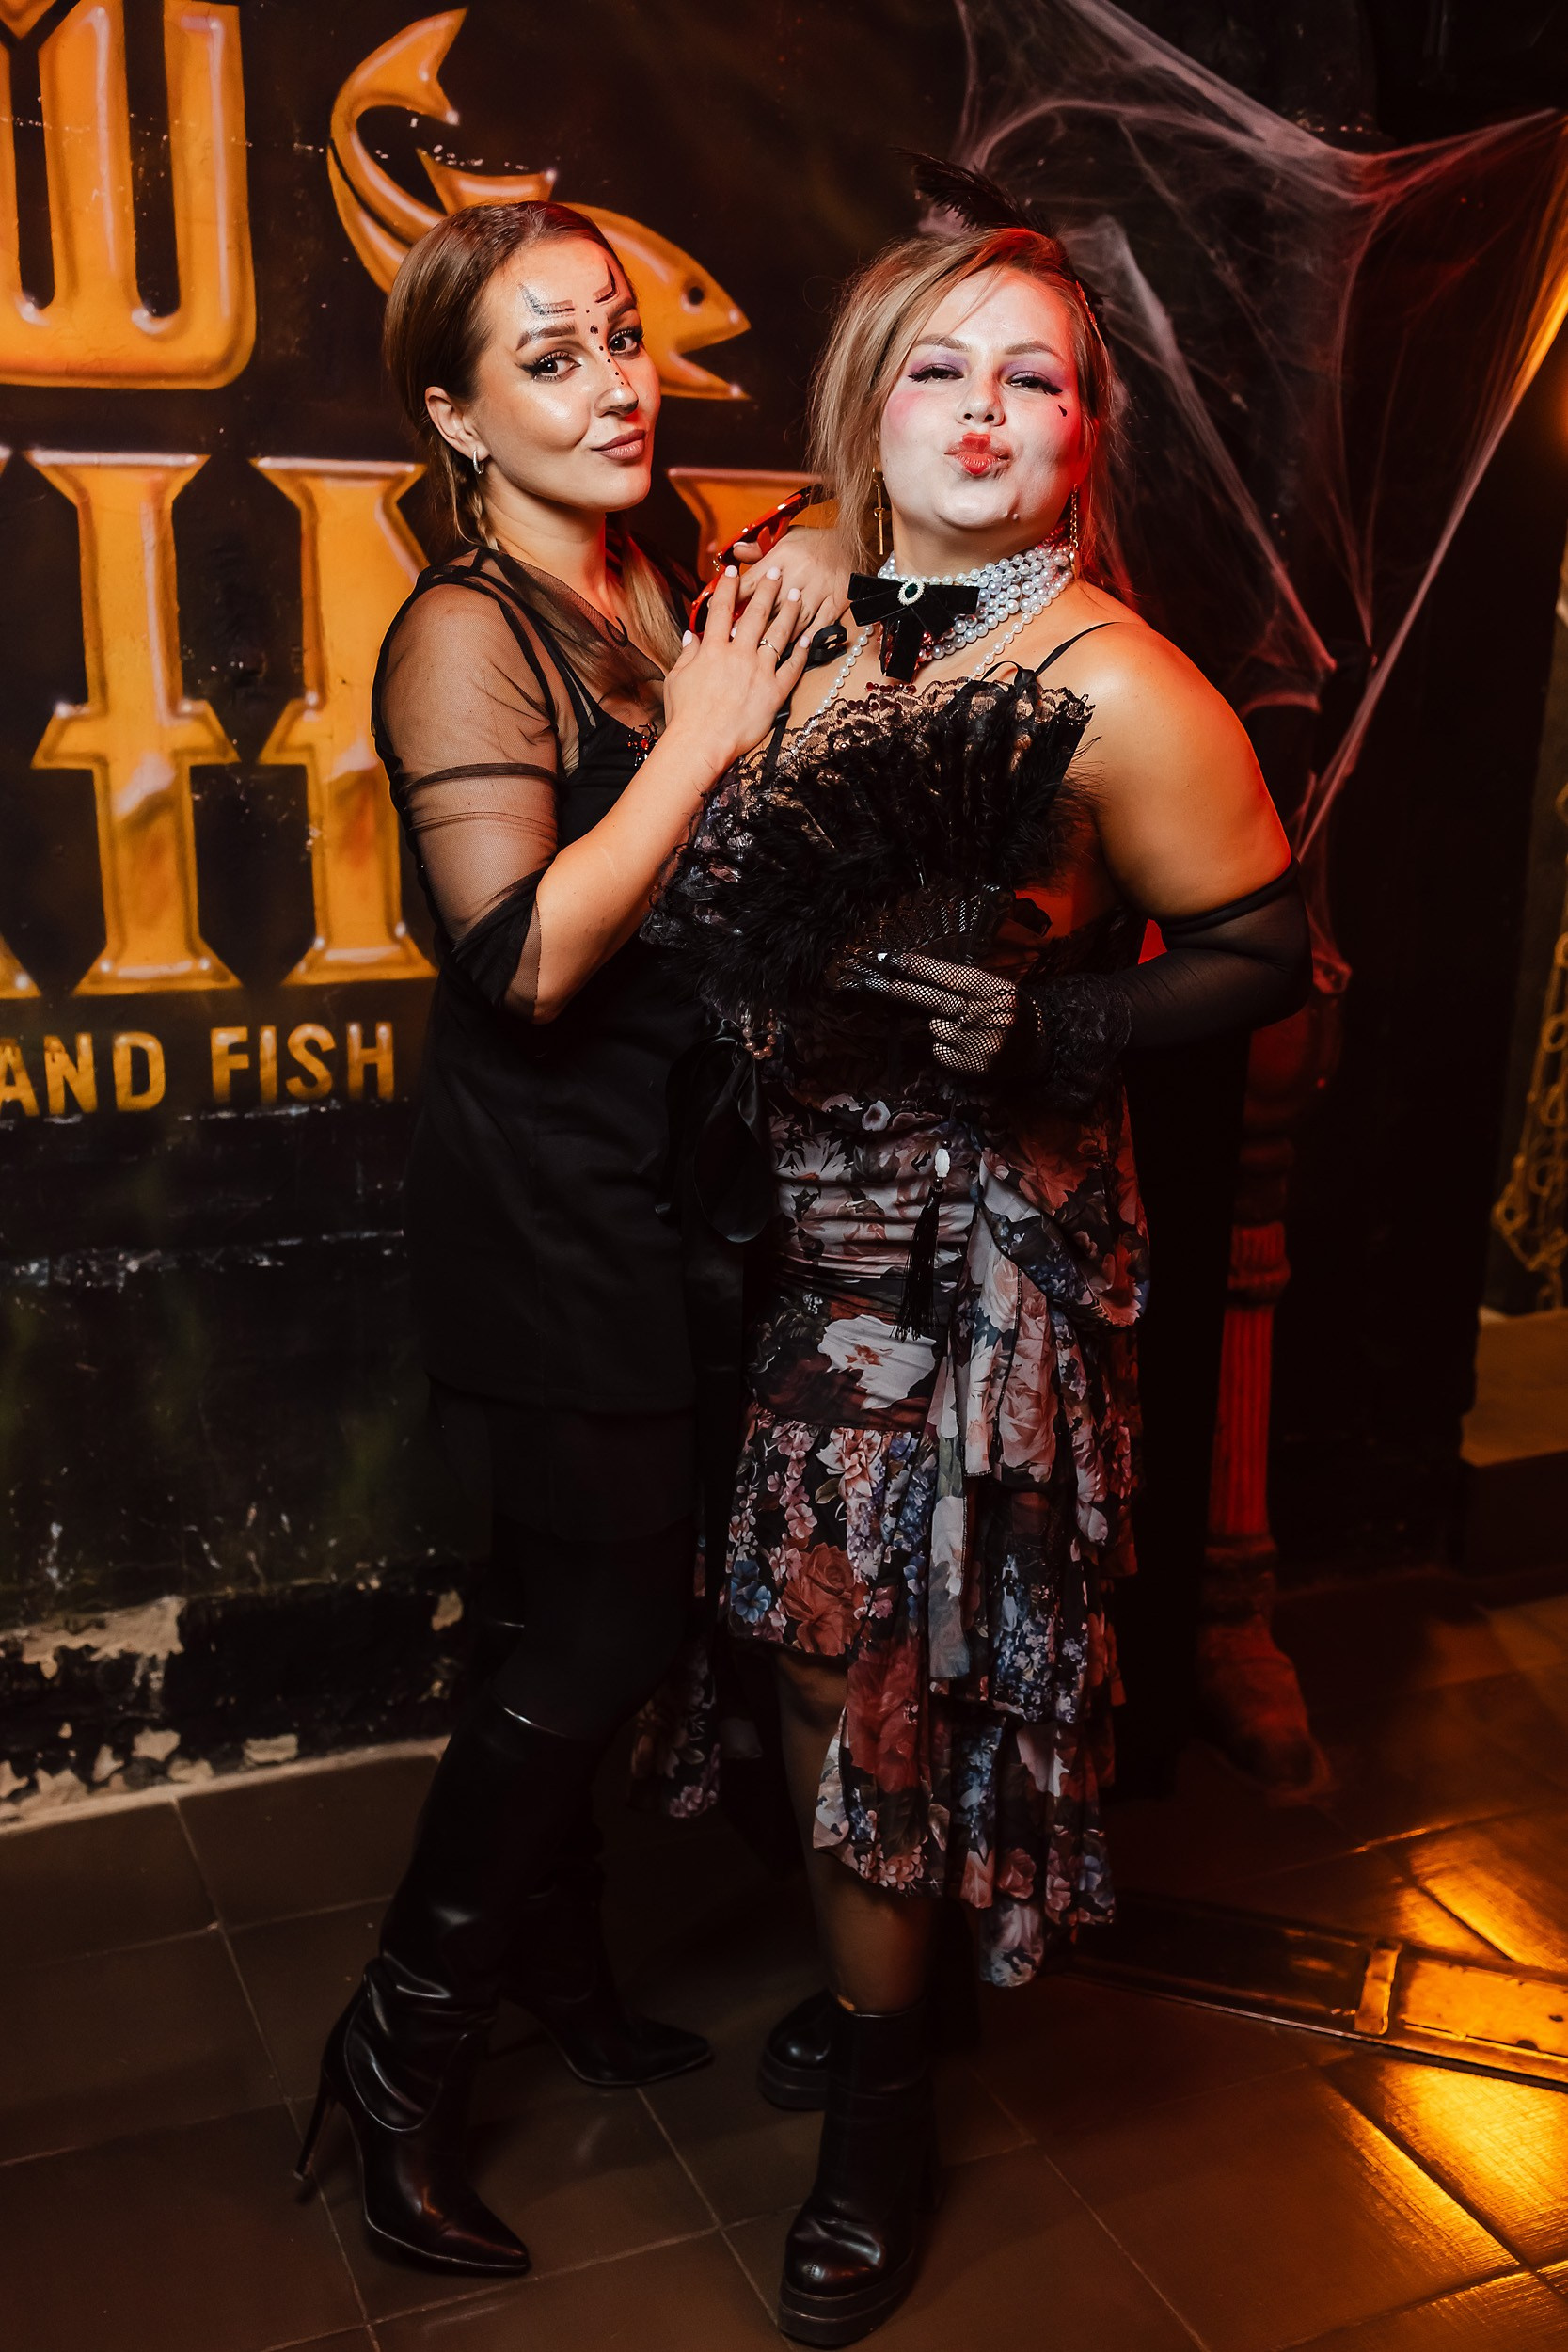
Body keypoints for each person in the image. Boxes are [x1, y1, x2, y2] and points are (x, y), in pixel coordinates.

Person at [652, 171, 1311, 2344]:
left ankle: (880, 2117)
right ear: (868, 397)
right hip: (795, 1225)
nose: (984, 409)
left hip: (974, 1250)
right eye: (939, 365)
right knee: (805, 1639)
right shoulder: (801, 608)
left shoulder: (1121, 683)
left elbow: (1263, 946)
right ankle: (894, 1998)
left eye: (1035, 377)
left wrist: (1064, 1022)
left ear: (1084, 431)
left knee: (876, 1656)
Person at [293, 199, 832, 2278]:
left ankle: (559, 1963)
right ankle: (398, 2053)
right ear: (454, 414)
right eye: (549, 356)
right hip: (548, 1203)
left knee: (569, 1611)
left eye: (619, 336)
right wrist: (704, 730)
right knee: (599, 1631)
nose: (615, 384)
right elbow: (519, 959)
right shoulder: (465, 630)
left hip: (669, 1176)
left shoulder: (652, 565)